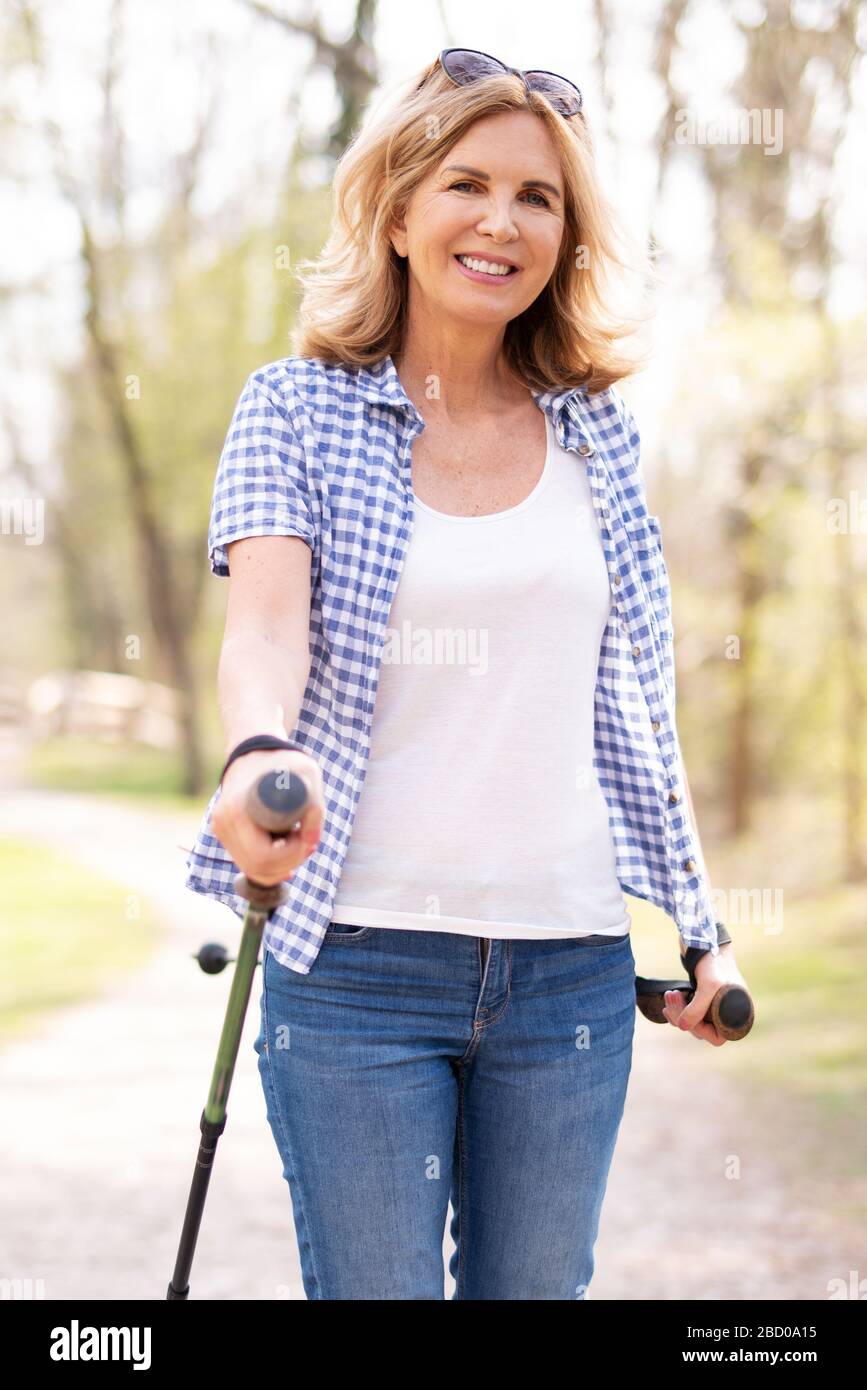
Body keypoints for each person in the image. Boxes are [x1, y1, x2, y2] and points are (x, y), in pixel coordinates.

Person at [185, 49, 749, 1300]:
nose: (501, 221)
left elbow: (638, 706)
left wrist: (698, 932)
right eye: (465, 184)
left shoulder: (598, 434)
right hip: (359, 967)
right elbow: (265, 634)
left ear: (566, 231)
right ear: (397, 211)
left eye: (538, 197)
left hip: (572, 975)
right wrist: (258, 752)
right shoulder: (293, 409)